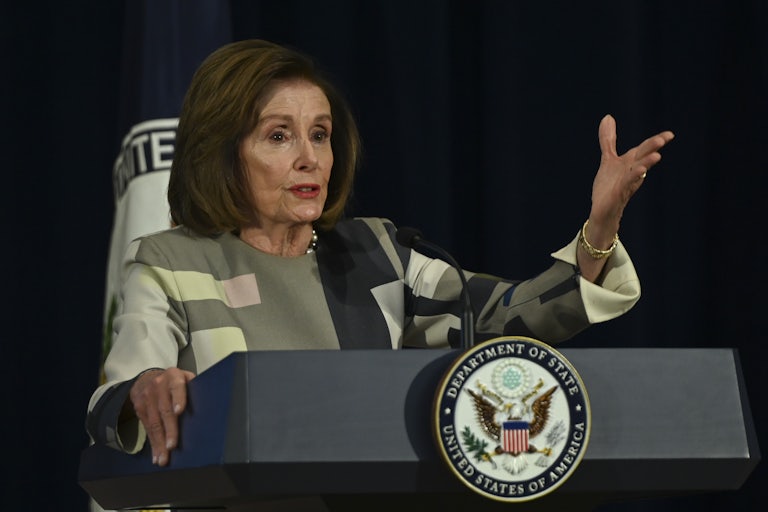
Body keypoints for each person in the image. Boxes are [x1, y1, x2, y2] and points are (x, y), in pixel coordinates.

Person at [86, 39, 674, 472]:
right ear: (222, 152)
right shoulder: (171, 263)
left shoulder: (376, 254)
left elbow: (510, 315)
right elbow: (116, 400)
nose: (309, 157)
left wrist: (599, 229)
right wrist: (146, 387)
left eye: (320, 134)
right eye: (278, 135)